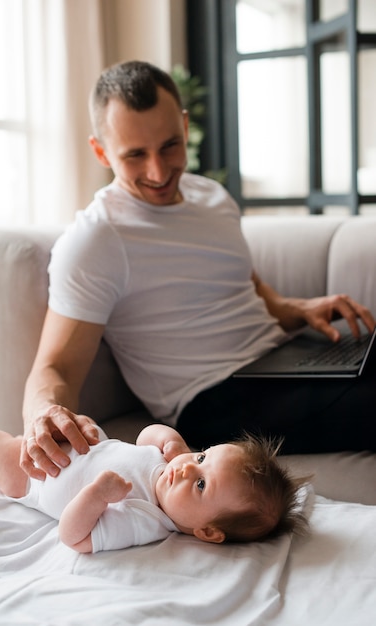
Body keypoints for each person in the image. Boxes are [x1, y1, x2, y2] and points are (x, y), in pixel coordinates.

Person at [21, 60, 376, 482]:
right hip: (213, 399)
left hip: (282, 359)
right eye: (135, 155)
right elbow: (55, 366)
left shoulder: (212, 197)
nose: (158, 171)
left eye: (170, 145)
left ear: (185, 127)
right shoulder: (96, 241)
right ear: (101, 151)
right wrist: (44, 414)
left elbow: (244, 282)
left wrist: (296, 307)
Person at [0, 424, 307, 552]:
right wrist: (170, 439)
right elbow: (143, 439)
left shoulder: (145, 520)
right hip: (83, 445)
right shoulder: (170, 466)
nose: (188, 466)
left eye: (202, 484)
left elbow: (73, 537)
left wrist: (96, 495)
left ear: (207, 531)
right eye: (203, 456)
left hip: (37, 480)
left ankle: (15, 446)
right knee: (77, 425)